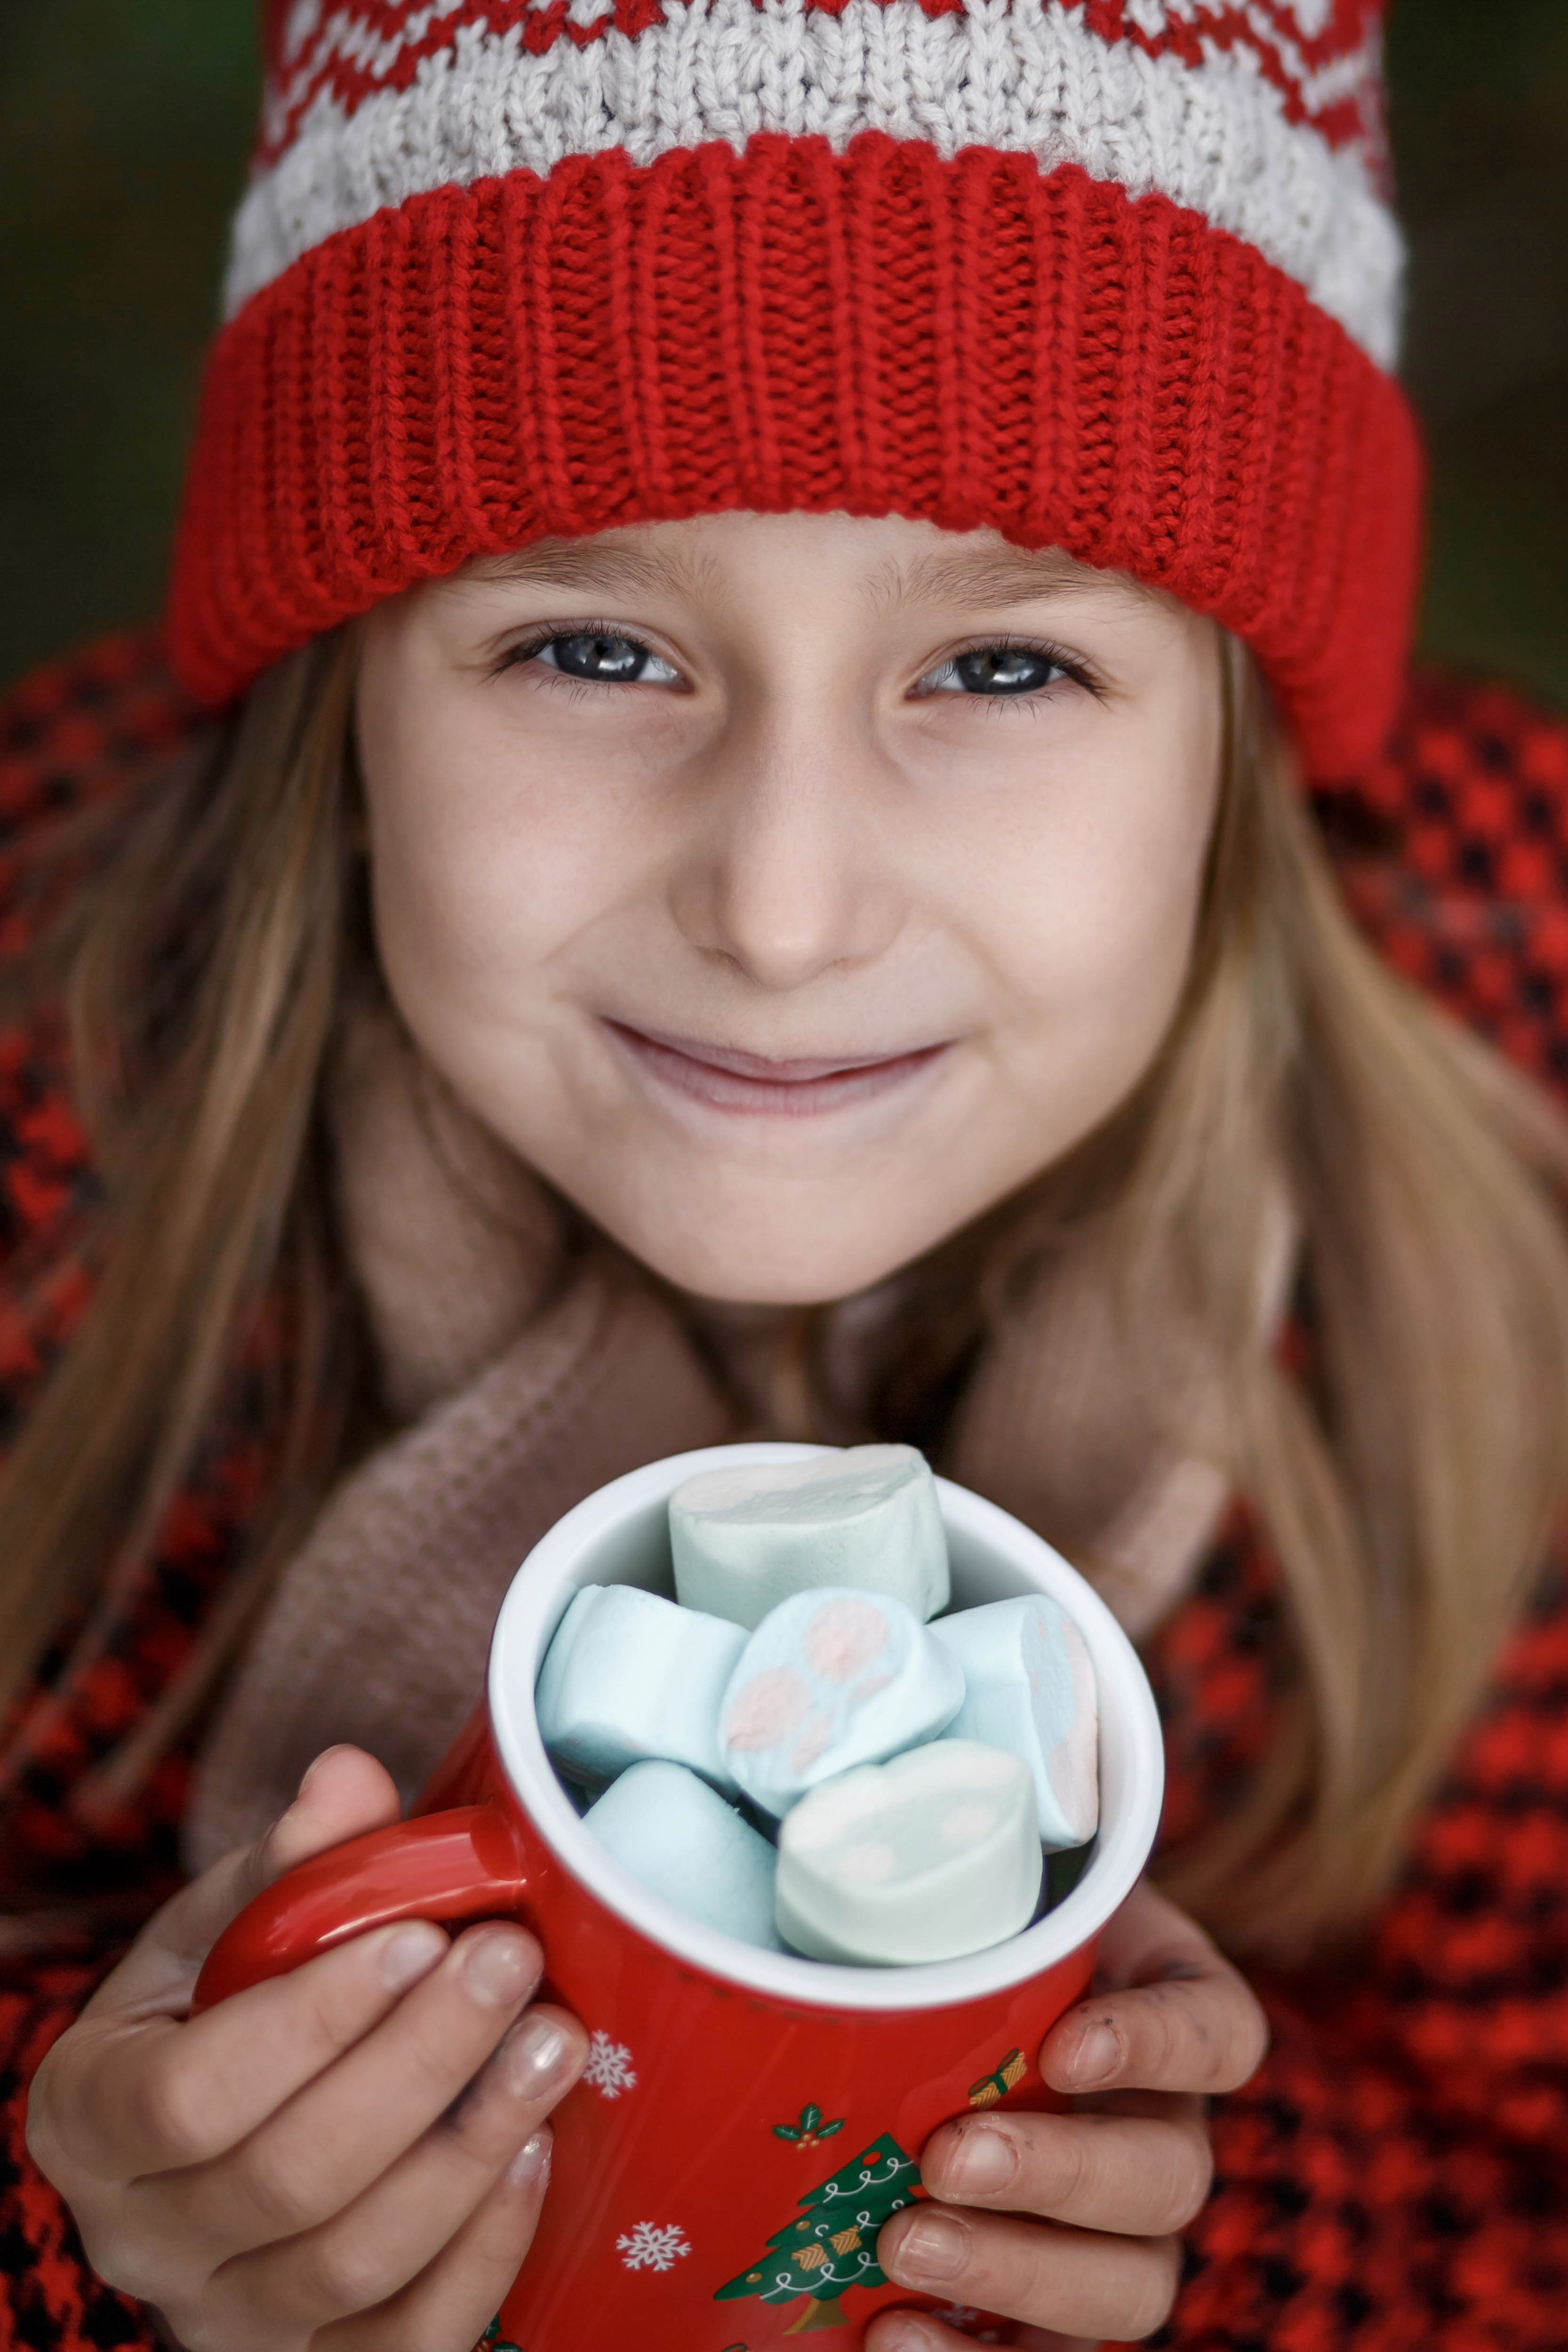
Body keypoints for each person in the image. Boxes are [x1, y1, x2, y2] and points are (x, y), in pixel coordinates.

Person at [2, 2, 1567, 2346]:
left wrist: (1183, 2238)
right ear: (345, 696)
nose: (785, 909)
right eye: (597, 644)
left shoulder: (1510, 1163)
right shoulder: (55, 1132)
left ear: (1238, 735)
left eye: (1007, 671)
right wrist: (82, 2219)